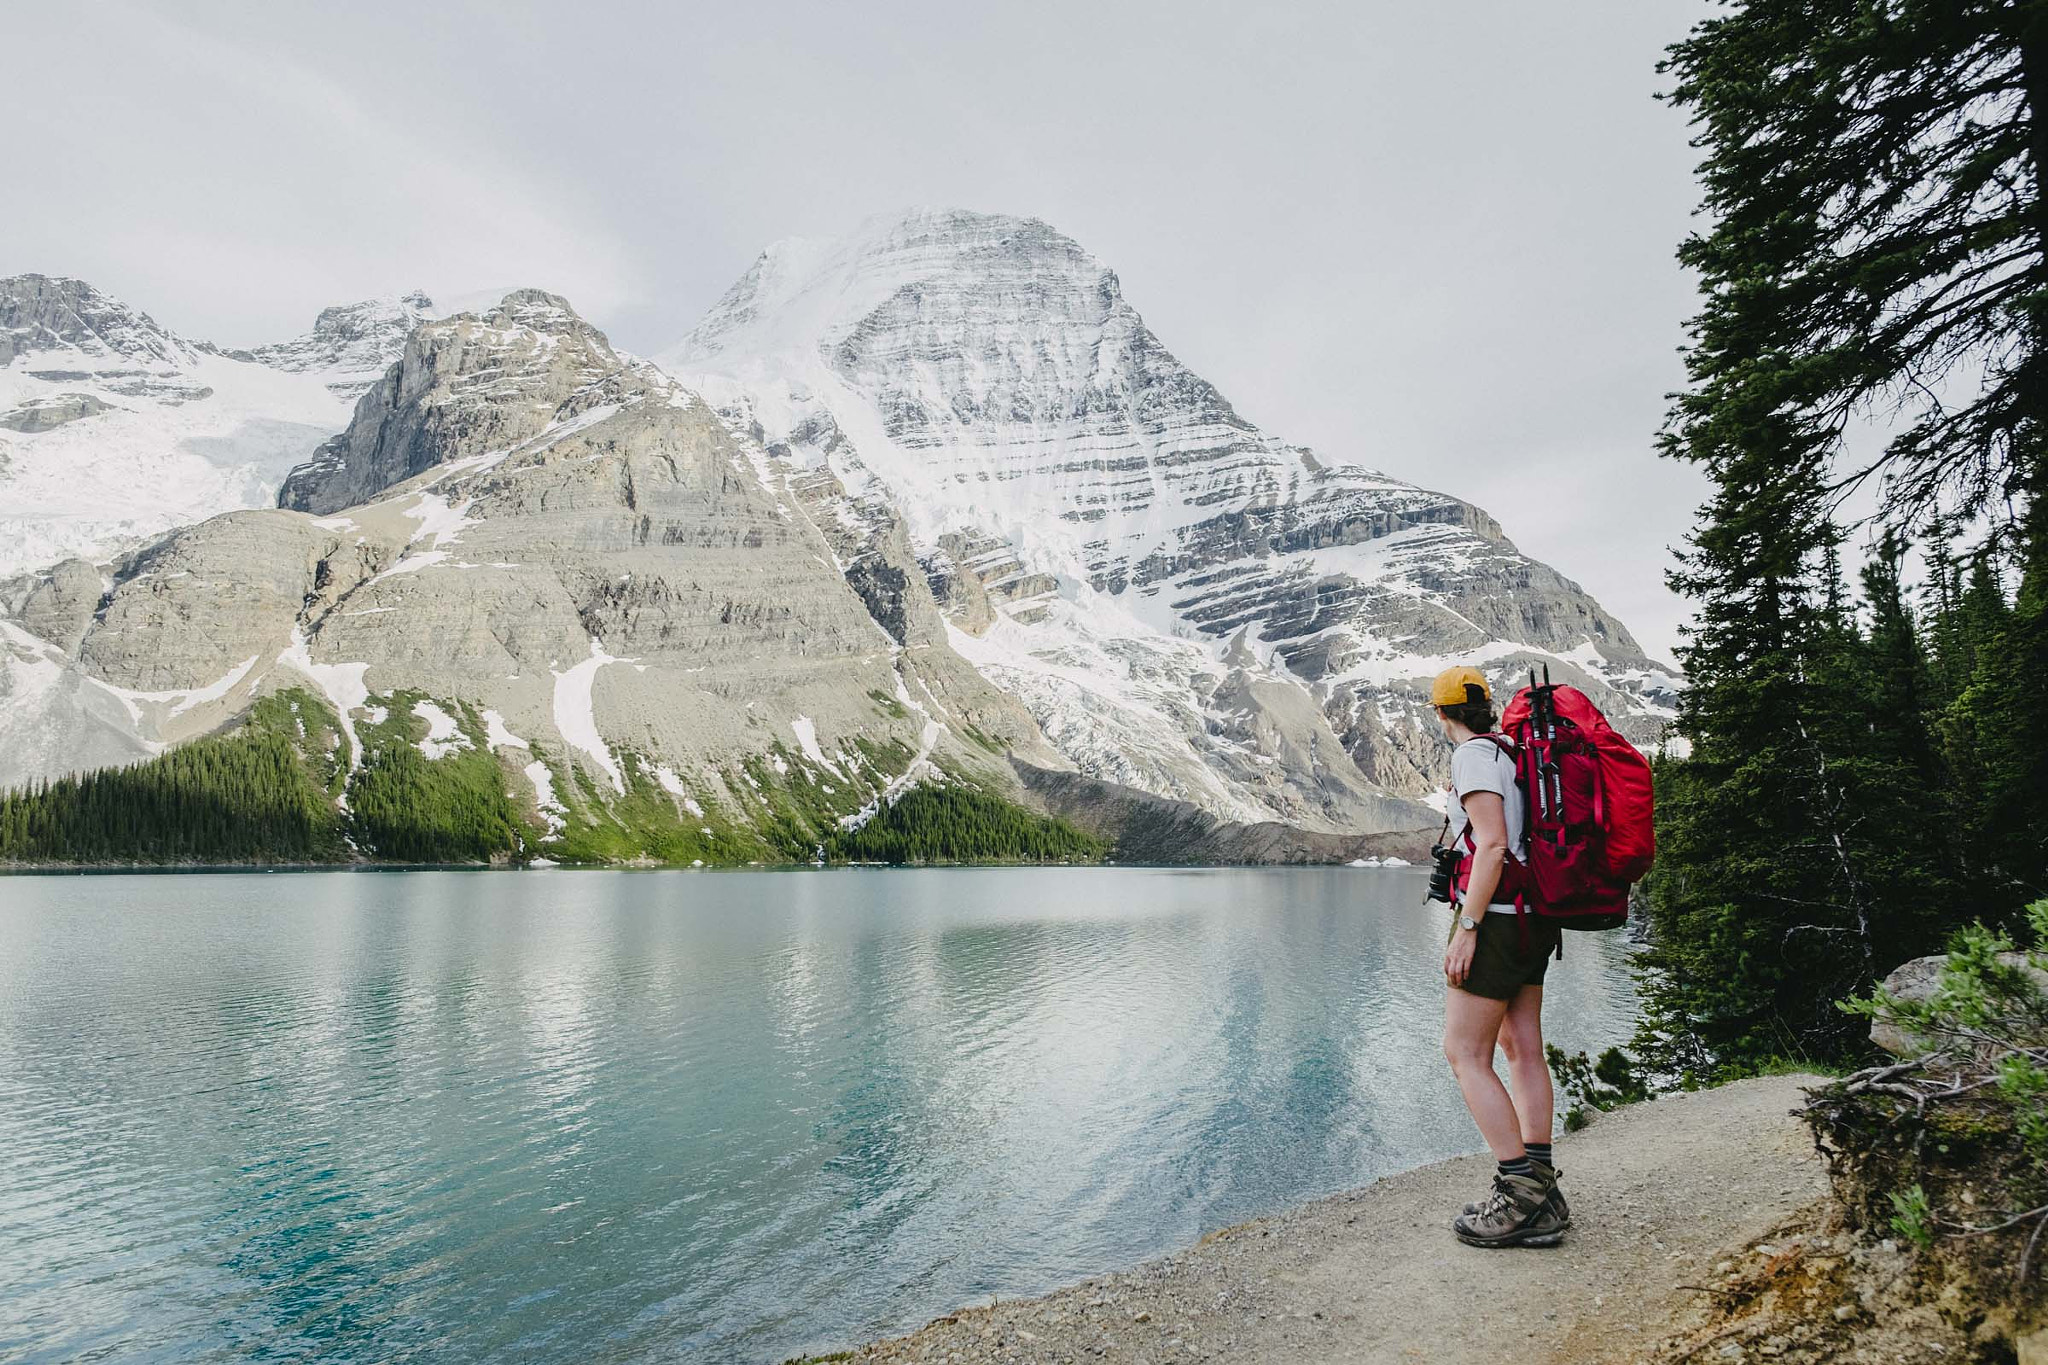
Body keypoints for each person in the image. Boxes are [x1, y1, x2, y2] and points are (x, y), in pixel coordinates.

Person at [1430, 665, 1569, 1249]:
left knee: (1464, 1053)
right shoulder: (1516, 751)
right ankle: (1542, 1186)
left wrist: (1467, 927)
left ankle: (1521, 1196)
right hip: (1535, 918)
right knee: (1521, 1048)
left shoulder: (1473, 758)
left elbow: (1490, 846)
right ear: (1486, 705)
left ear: (1441, 715)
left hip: (1499, 920)